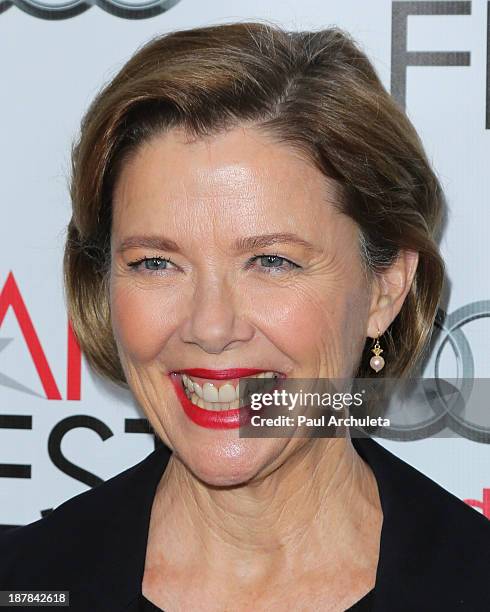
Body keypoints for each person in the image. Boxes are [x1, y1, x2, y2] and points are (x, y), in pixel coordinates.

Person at [1, 21, 490, 612]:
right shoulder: (28, 582)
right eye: (156, 262)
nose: (210, 327)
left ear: (385, 289)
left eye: (271, 261)